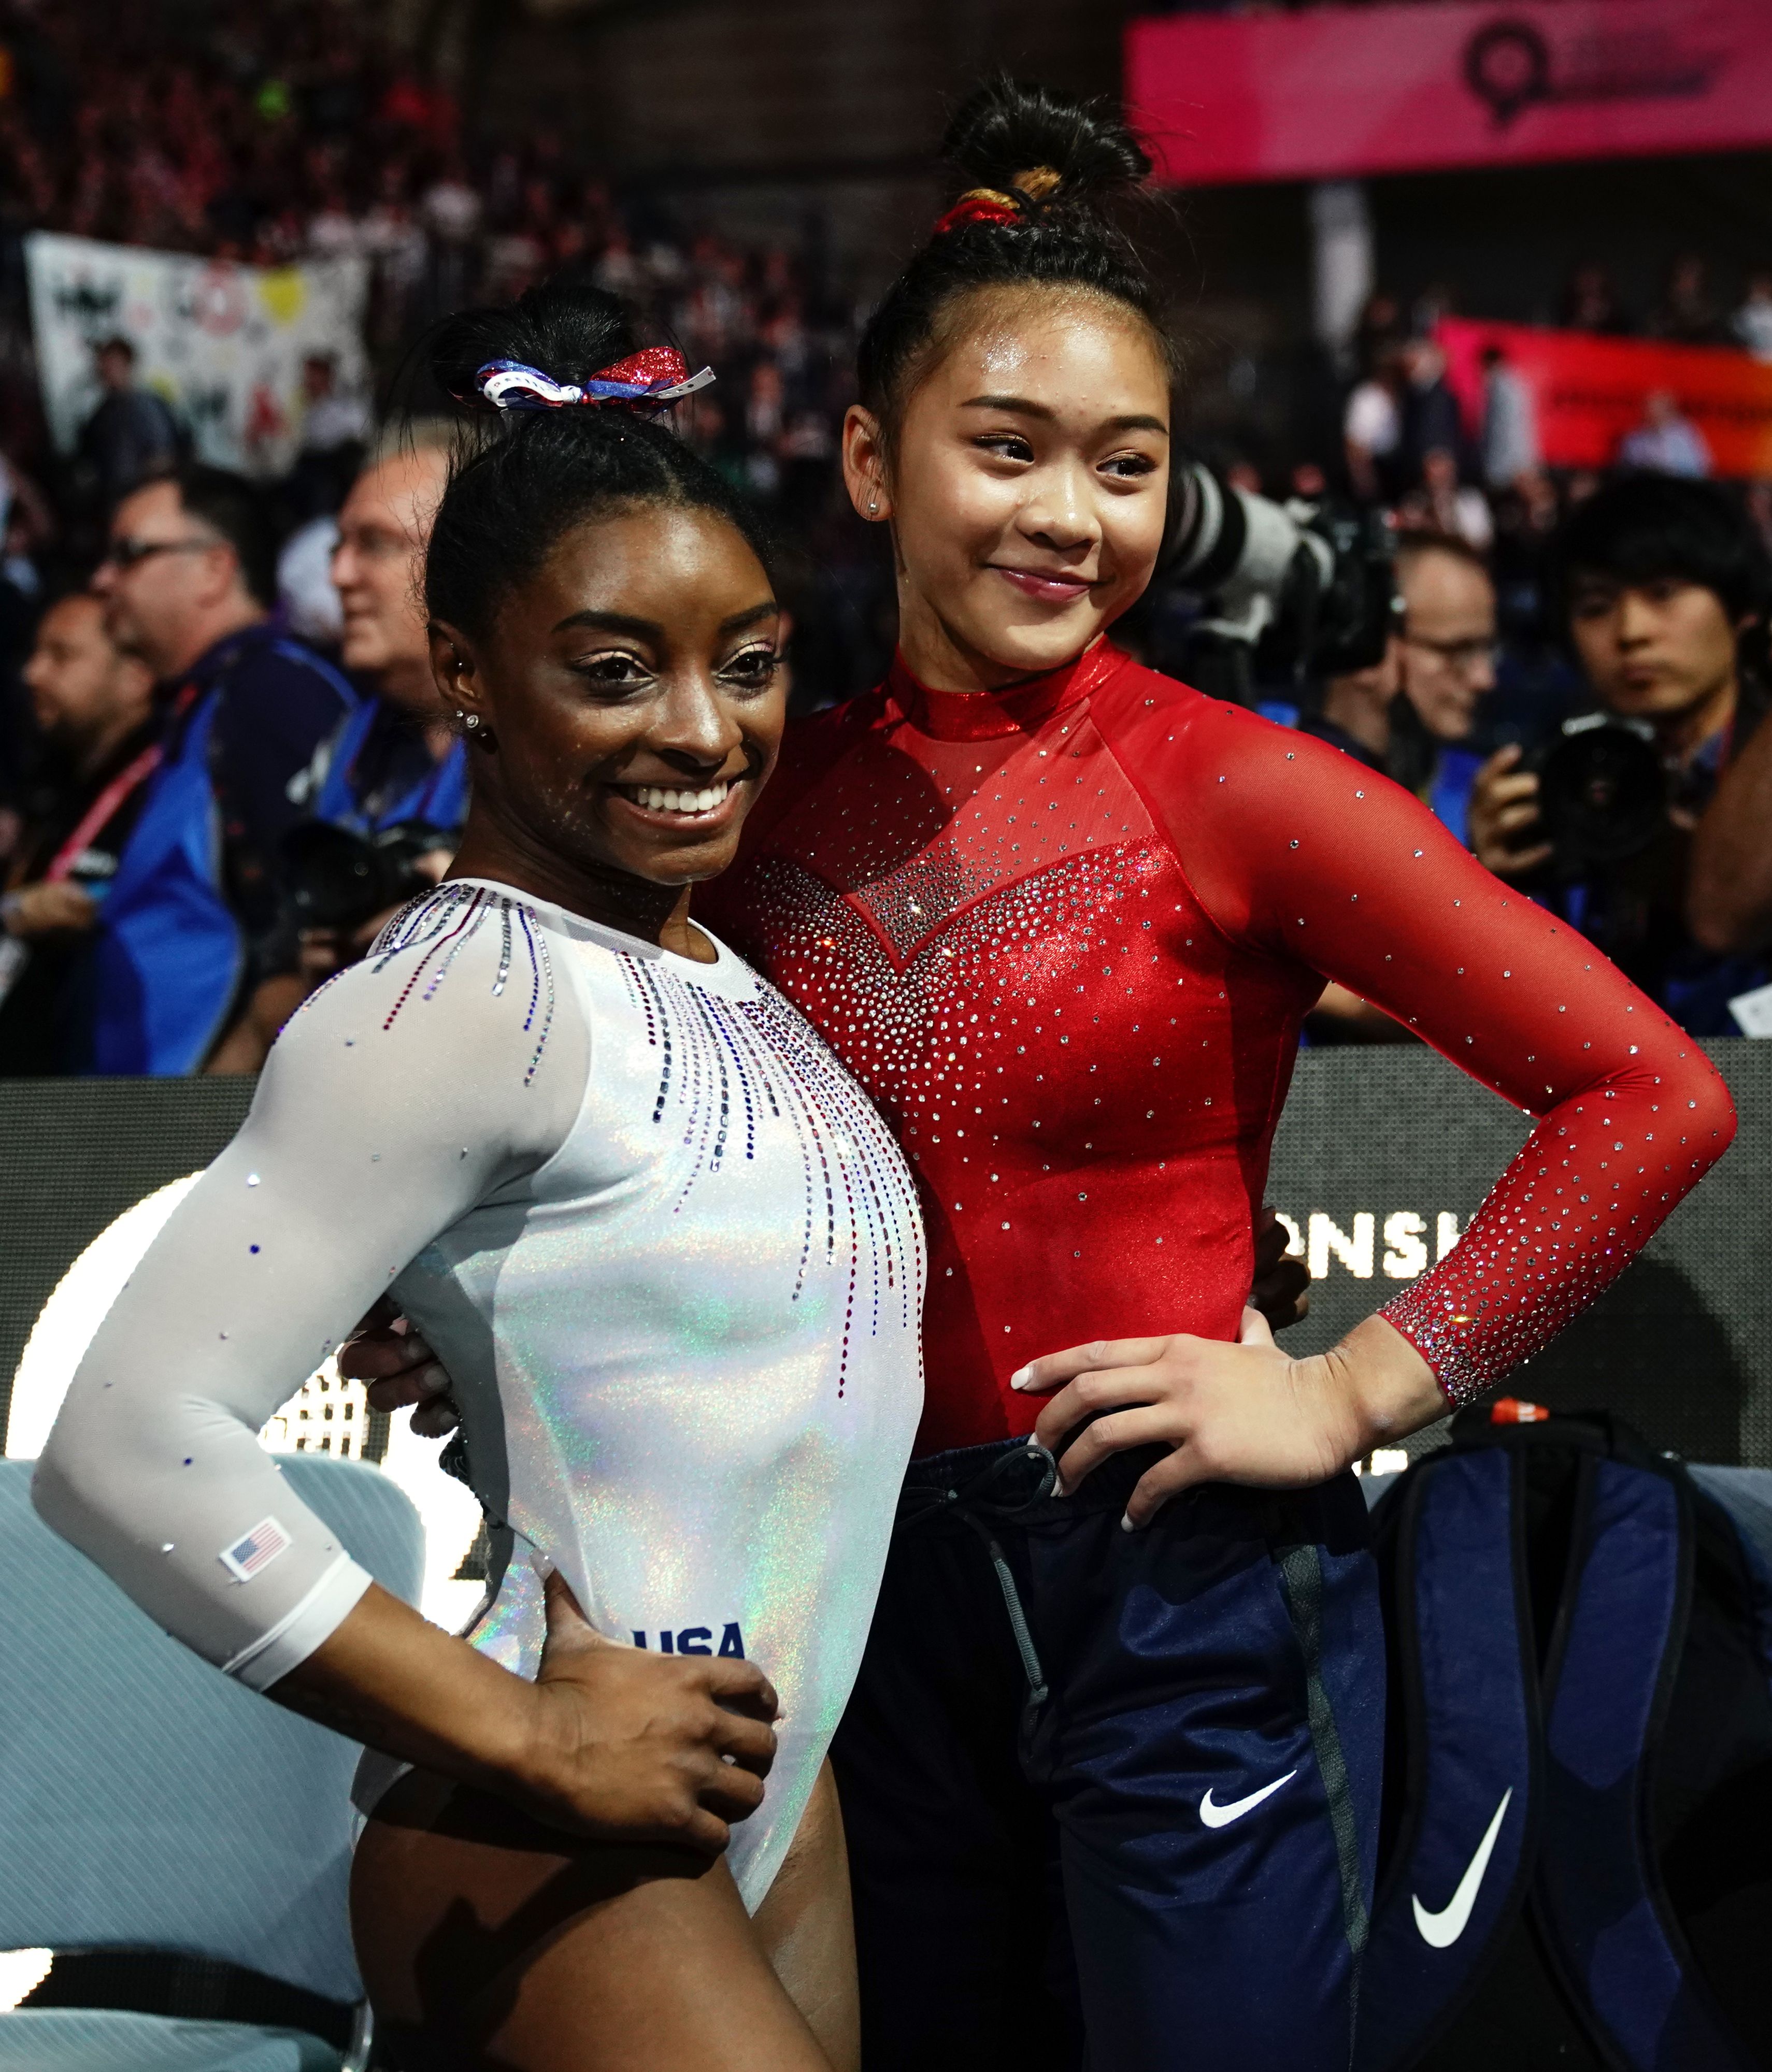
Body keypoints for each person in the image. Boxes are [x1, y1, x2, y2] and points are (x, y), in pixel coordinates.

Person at [690, 81, 1731, 2072]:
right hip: (847, 1605)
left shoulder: (1229, 781)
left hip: (1176, 1598)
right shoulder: (756, 800)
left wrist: (1348, 1383)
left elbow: (1644, 1091)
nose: (1067, 515)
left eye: (1125, 465)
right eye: (1003, 449)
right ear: (863, 458)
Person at [33, 282, 925, 2072]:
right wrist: (526, 1743)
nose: (703, 729)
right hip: (555, 1833)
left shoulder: (705, 969)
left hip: (763, 1795)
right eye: (614, 670)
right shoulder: (458, 1001)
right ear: (464, 675)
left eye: (745, 662)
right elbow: (120, 1448)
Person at [1470, 473, 1770, 1034]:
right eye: (1596, 606)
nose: (1632, 632)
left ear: (1741, 610)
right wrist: (1487, 889)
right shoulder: (1575, 782)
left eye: (1664, 594)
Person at [84, 464, 354, 1073]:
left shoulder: (270, 691)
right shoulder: (208, 698)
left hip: (208, 1118)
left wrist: (225, 1091)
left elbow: (308, 925)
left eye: (129, 554)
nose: (102, 580)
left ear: (214, 568)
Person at [241, 420, 467, 1049]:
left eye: (374, 543)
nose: (339, 574)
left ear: (476, 559)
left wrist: (467, 934)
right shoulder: (347, 746)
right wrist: (329, 988)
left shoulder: (555, 750)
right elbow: (274, 983)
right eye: (339, 545)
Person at [0, 591, 155, 1072]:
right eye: (34, 654)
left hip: (108, 1086)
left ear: (135, 677)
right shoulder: (50, 787)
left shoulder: (165, 788)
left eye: (61, 656)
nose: (33, 674)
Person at [73, 336, 187, 514]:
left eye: (113, 363)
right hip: (113, 503)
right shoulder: (103, 411)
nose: (105, 369)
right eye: (103, 363)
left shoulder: (145, 406)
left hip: (143, 502)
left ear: (128, 364)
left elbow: (163, 458)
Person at [1619, 390, 1711, 479]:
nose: (1650, 412)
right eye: (1647, 407)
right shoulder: (1635, 439)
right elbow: (1627, 471)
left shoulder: (1686, 435)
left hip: (1679, 488)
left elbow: (1699, 470)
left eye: (1656, 407)